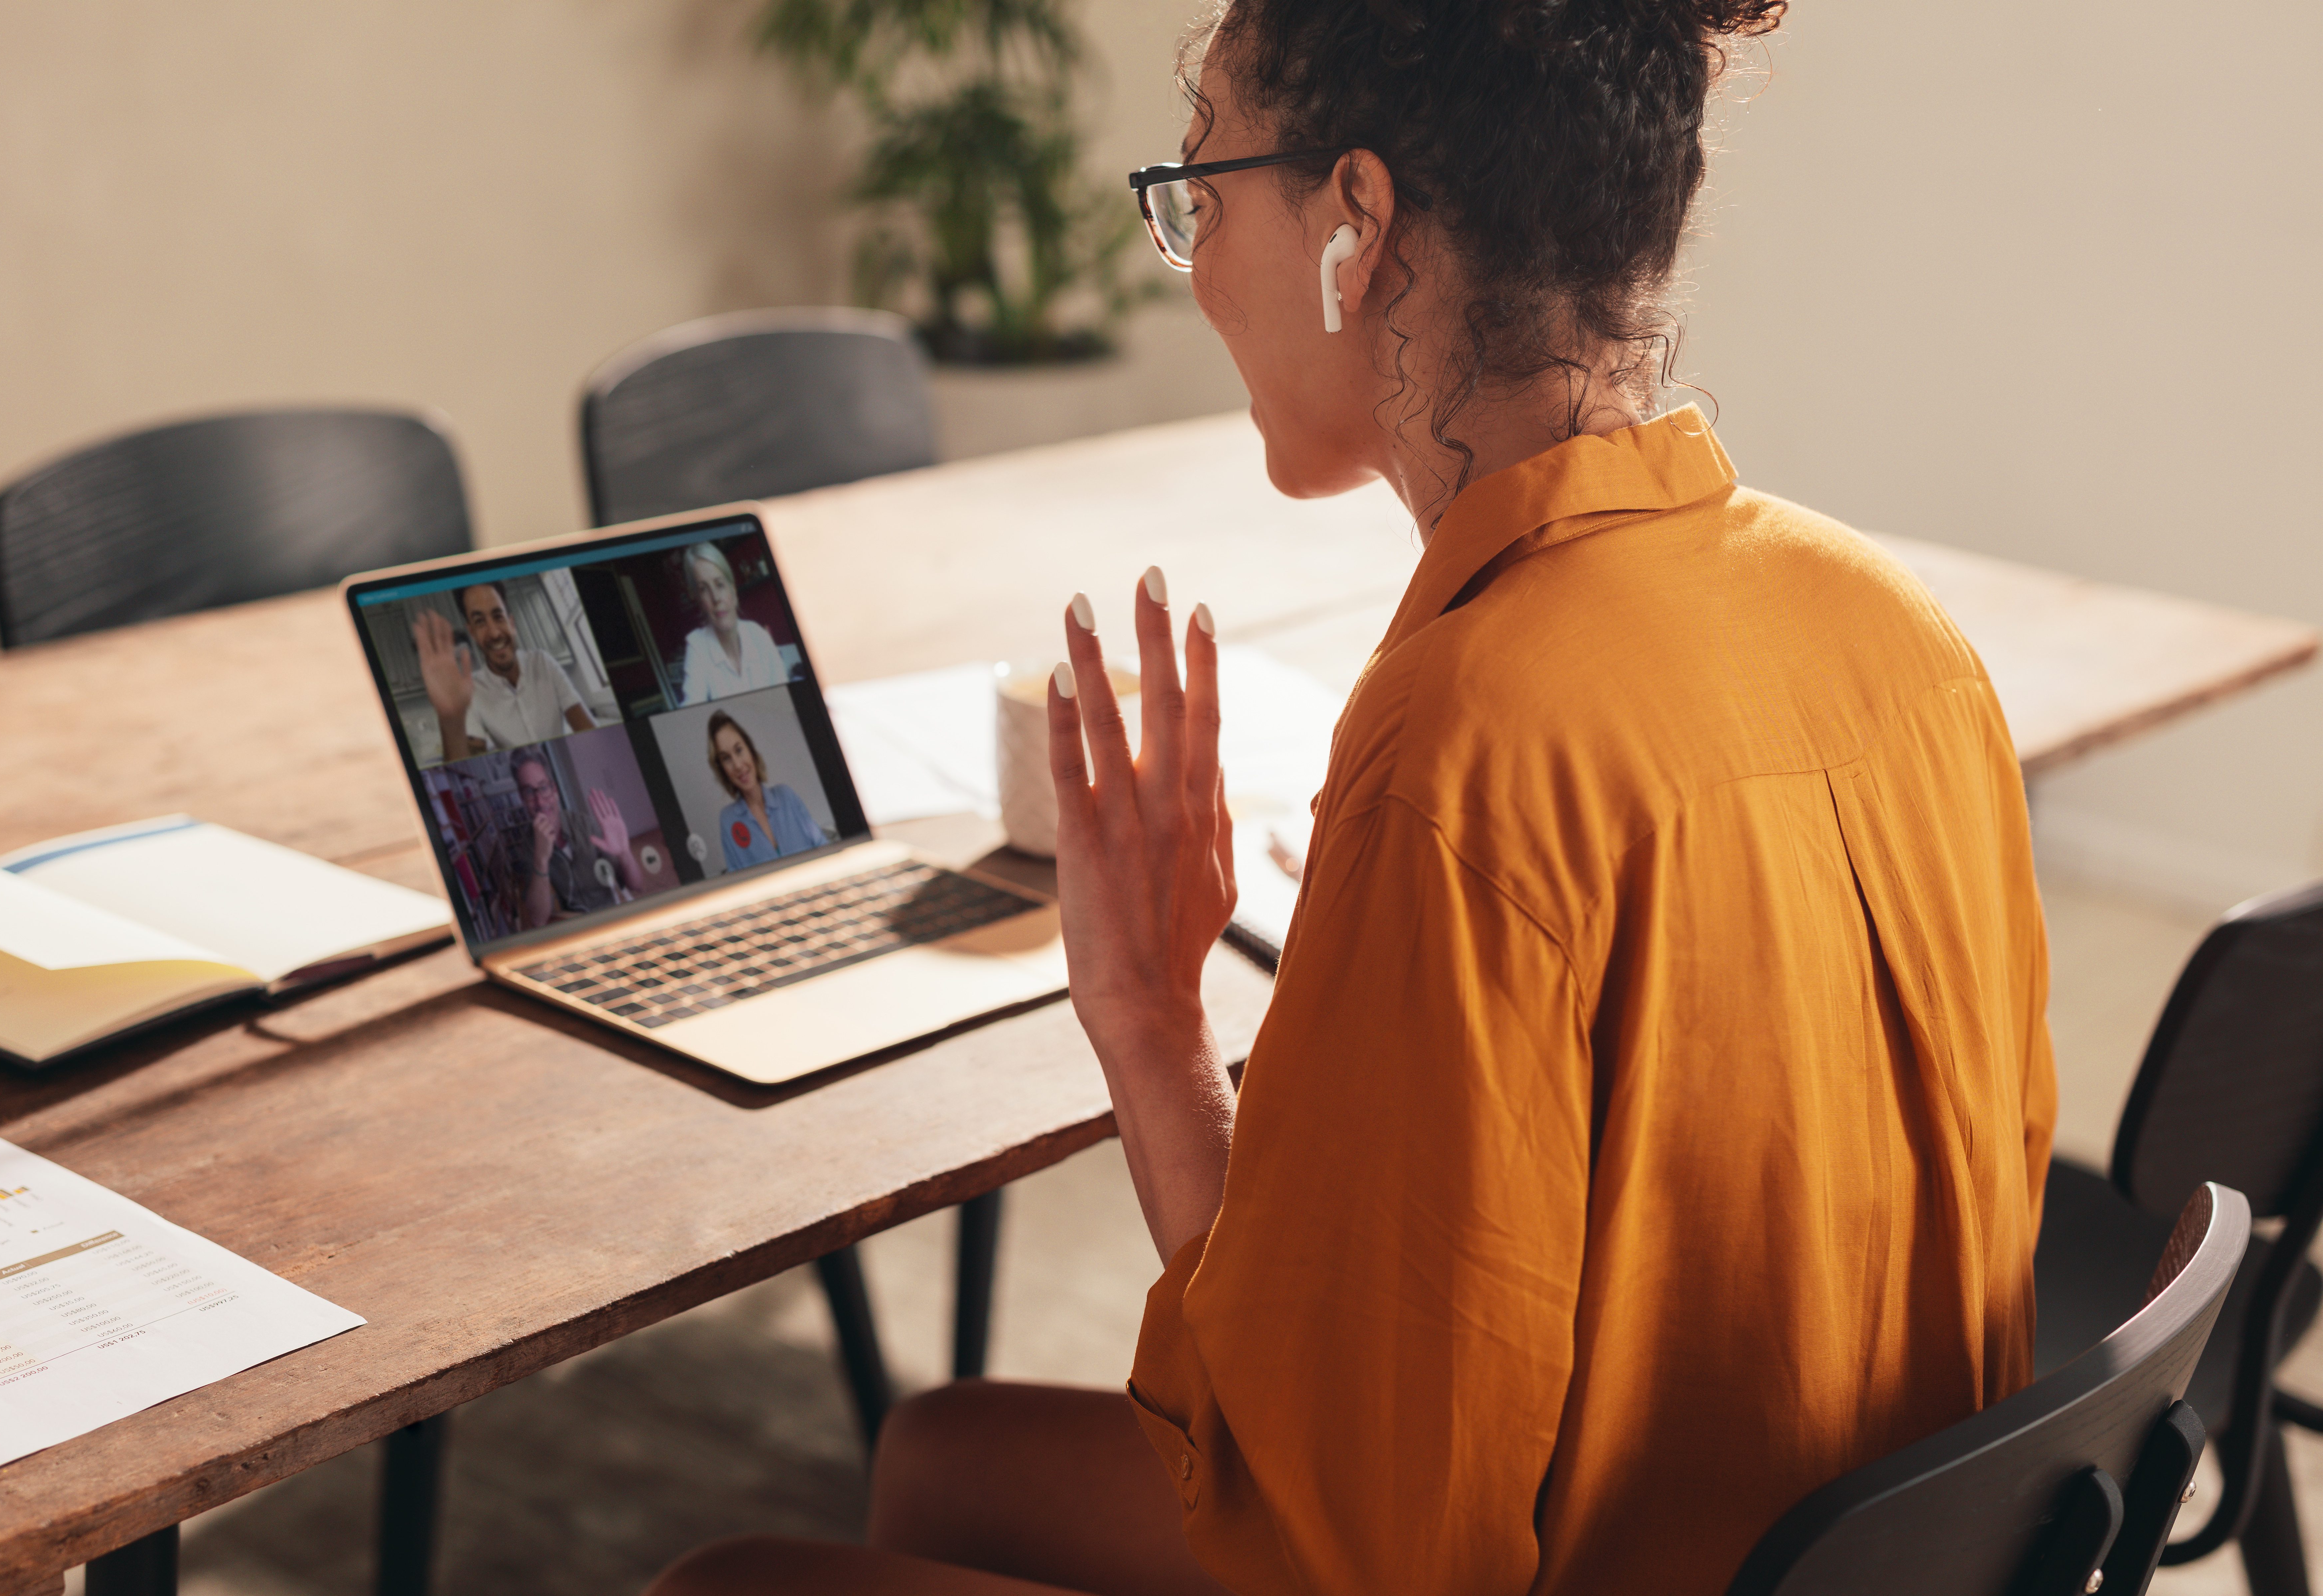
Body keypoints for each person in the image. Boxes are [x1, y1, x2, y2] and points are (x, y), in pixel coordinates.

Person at [650, 1, 2053, 1595]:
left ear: (1354, 224)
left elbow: (1359, 1540)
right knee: (939, 1455)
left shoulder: (1469, 737)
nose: (1187, 270)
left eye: (1203, 194)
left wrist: (1147, 1023)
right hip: (1831, 1545)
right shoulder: (1894, 632)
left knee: (723, 1581)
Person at [412, 580, 595, 762]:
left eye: (498, 617)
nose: (494, 633)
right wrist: (451, 718)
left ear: (512, 623)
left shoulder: (543, 663)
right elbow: (469, 767)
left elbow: (590, 733)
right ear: (473, 632)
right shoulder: (470, 691)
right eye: (480, 622)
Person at [505, 749, 635, 928]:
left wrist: (625, 853)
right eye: (529, 792)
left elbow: (636, 885)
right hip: (577, 927)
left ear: (555, 789)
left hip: (611, 917)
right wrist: (541, 861)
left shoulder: (584, 825)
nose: (540, 802)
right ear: (521, 798)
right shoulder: (528, 843)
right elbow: (538, 919)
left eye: (544, 788)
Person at [707, 711, 825, 870]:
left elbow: (823, 847)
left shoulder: (786, 796)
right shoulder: (728, 821)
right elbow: (738, 883)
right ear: (722, 770)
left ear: (751, 751)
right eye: (726, 759)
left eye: (739, 750)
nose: (738, 766)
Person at [675, 542, 791, 704]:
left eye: (720, 585)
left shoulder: (759, 636)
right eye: (704, 589)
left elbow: (787, 700)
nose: (716, 598)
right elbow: (692, 709)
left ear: (733, 590)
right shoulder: (697, 646)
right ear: (700, 601)